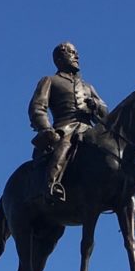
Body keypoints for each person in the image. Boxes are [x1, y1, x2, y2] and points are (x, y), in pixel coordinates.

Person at [28, 42, 108, 201]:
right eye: (71, 52)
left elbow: (105, 113)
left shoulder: (87, 86)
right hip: (66, 129)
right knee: (64, 148)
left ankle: (125, 199)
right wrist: (46, 128)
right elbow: (37, 107)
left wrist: (96, 106)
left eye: (76, 53)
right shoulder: (50, 80)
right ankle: (51, 184)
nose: (76, 56)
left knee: (113, 152)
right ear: (59, 58)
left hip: (89, 129)